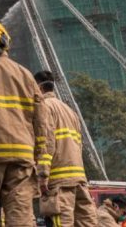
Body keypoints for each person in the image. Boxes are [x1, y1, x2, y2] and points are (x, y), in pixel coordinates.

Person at [0, 20, 42, 226]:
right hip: (22, 156)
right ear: (3, 42)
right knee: (20, 217)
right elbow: (41, 121)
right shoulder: (25, 74)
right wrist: (39, 157)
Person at [34, 70, 97, 227]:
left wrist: (42, 176)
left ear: (38, 88)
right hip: (79, 180)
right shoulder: (70, 111)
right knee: (87, 222)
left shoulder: (44, 107)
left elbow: (46, 143)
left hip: (59, 182)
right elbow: (79, 145)